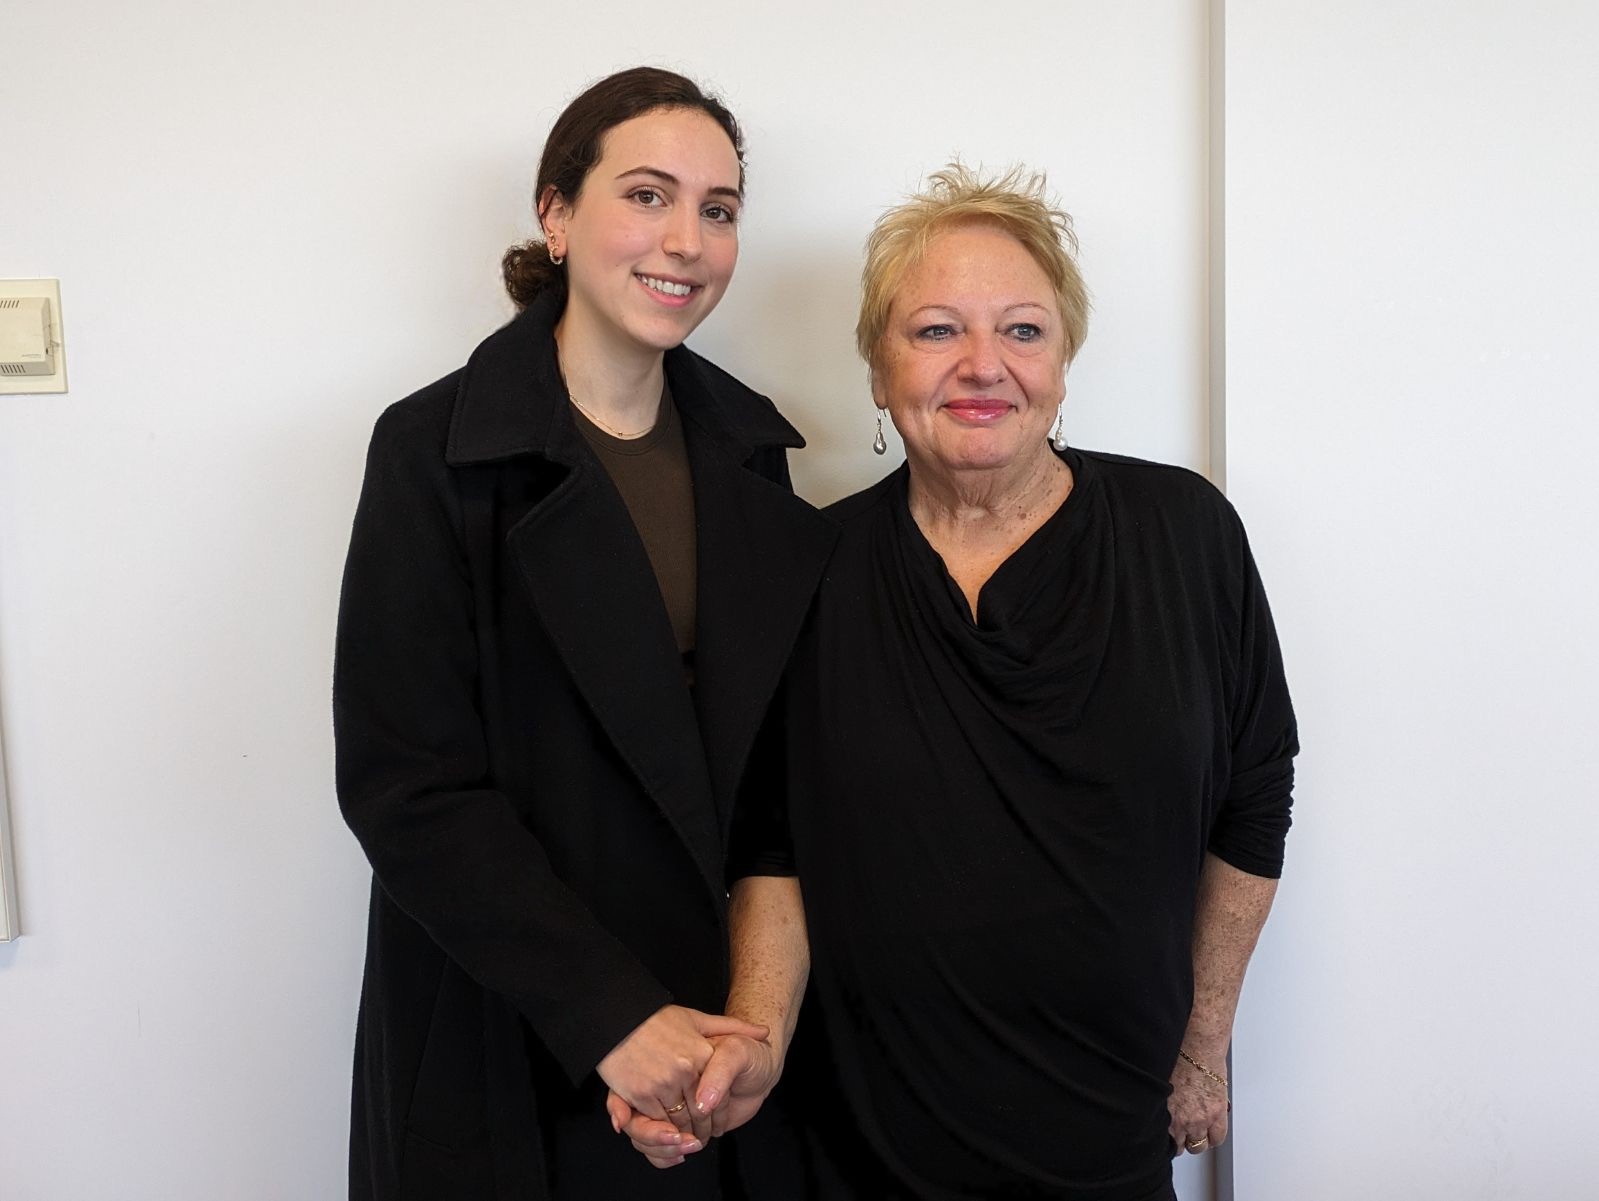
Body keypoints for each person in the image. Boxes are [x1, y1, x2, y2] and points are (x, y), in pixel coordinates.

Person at [623, 163, 1298, 1199]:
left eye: (1023, 331)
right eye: (936, 330)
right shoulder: (810, 570)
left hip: (1111, 1137)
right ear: (879, 373)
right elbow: (773, 845)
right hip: (861, 1151)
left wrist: (1204, 1047)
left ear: (1064, 360)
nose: (984, 367)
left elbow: (1254, 796)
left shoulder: (1185, 534)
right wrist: (750, 1039)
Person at [333, 67, 833, 1201]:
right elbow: (408, 788)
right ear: (555, 215)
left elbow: (768, 801)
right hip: (507, 1024)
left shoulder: (754, 459)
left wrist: (738, 1042)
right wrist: (613, 1017)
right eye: (648, 195)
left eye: (720, 208)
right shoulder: (433, 453)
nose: (689, 239)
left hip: (710, 1053)